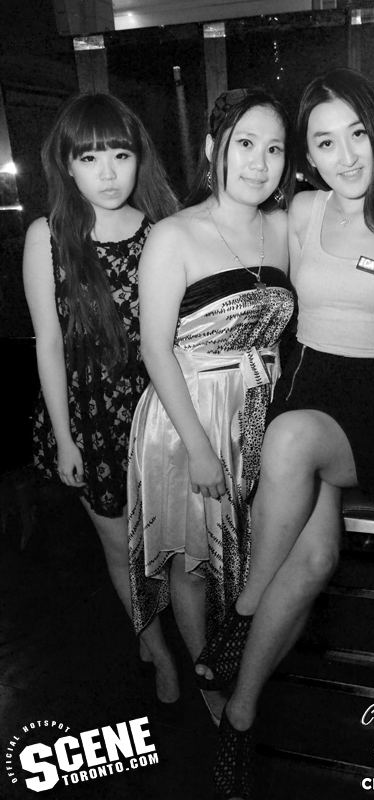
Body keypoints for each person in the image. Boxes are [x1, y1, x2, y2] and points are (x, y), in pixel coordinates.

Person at [194, 68, 374, 799]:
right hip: (303, 388)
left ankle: (239, 614)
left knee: (288, 440)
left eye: (357, 134)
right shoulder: (303, 211)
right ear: (307, 157)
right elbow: (240, 260)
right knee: (312, 561)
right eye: (323, 142)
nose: (344, 156)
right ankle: (241, 717)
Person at [127, 88, 294, 727]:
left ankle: (239, 660)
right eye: (244, 144)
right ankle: (207, 679)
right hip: (188, 416)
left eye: (274, 148)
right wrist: (198, 448)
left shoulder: (283, 227)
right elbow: (155, 348)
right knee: (194, 561)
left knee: (251, 555)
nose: (259, 162)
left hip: (261, 413)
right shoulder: (175, 234)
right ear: (211, 149)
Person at [23, 92, 180, 703]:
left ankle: (158, 632)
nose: (108, 173)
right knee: (121, 548)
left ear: (139, 158)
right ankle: (159, 653)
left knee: (166, 547)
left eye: (120, 154)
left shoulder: (163, 232)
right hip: (87, 413)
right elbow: (48, 343)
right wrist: (65, 437)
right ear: (67, 165)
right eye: (90, 158)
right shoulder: (49, 235)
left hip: (156, 409)